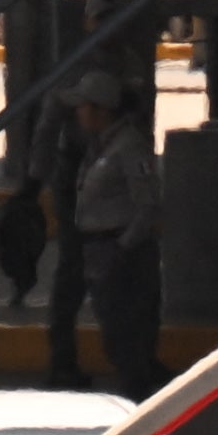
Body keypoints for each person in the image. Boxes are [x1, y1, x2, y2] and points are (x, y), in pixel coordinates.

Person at [68, 62, 165, 399]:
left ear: (101, 109)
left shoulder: (128, 146)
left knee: (128, 341)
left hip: (123, 253)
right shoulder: (99, 146)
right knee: (114, 337)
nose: (78, 112)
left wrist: (122, 249)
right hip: (100, 249)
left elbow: (149, 203)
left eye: (83, 105)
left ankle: (138, 413)